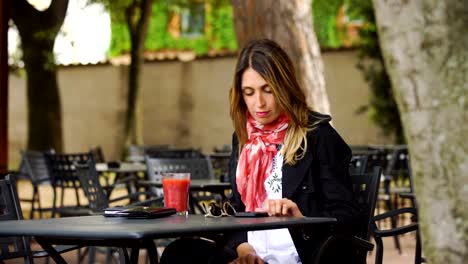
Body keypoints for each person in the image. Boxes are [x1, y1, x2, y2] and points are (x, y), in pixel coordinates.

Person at [224, 38, 361, 264]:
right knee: (180, 253)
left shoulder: (318, 136)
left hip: (302, 256)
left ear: (284, 86)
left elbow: (348, 217)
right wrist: (244, 249)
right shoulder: (244, 140)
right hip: (253, 256)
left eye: (267, 90)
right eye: (249, 92)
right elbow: (236, 210)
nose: (259, 103)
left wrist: (302, 220)